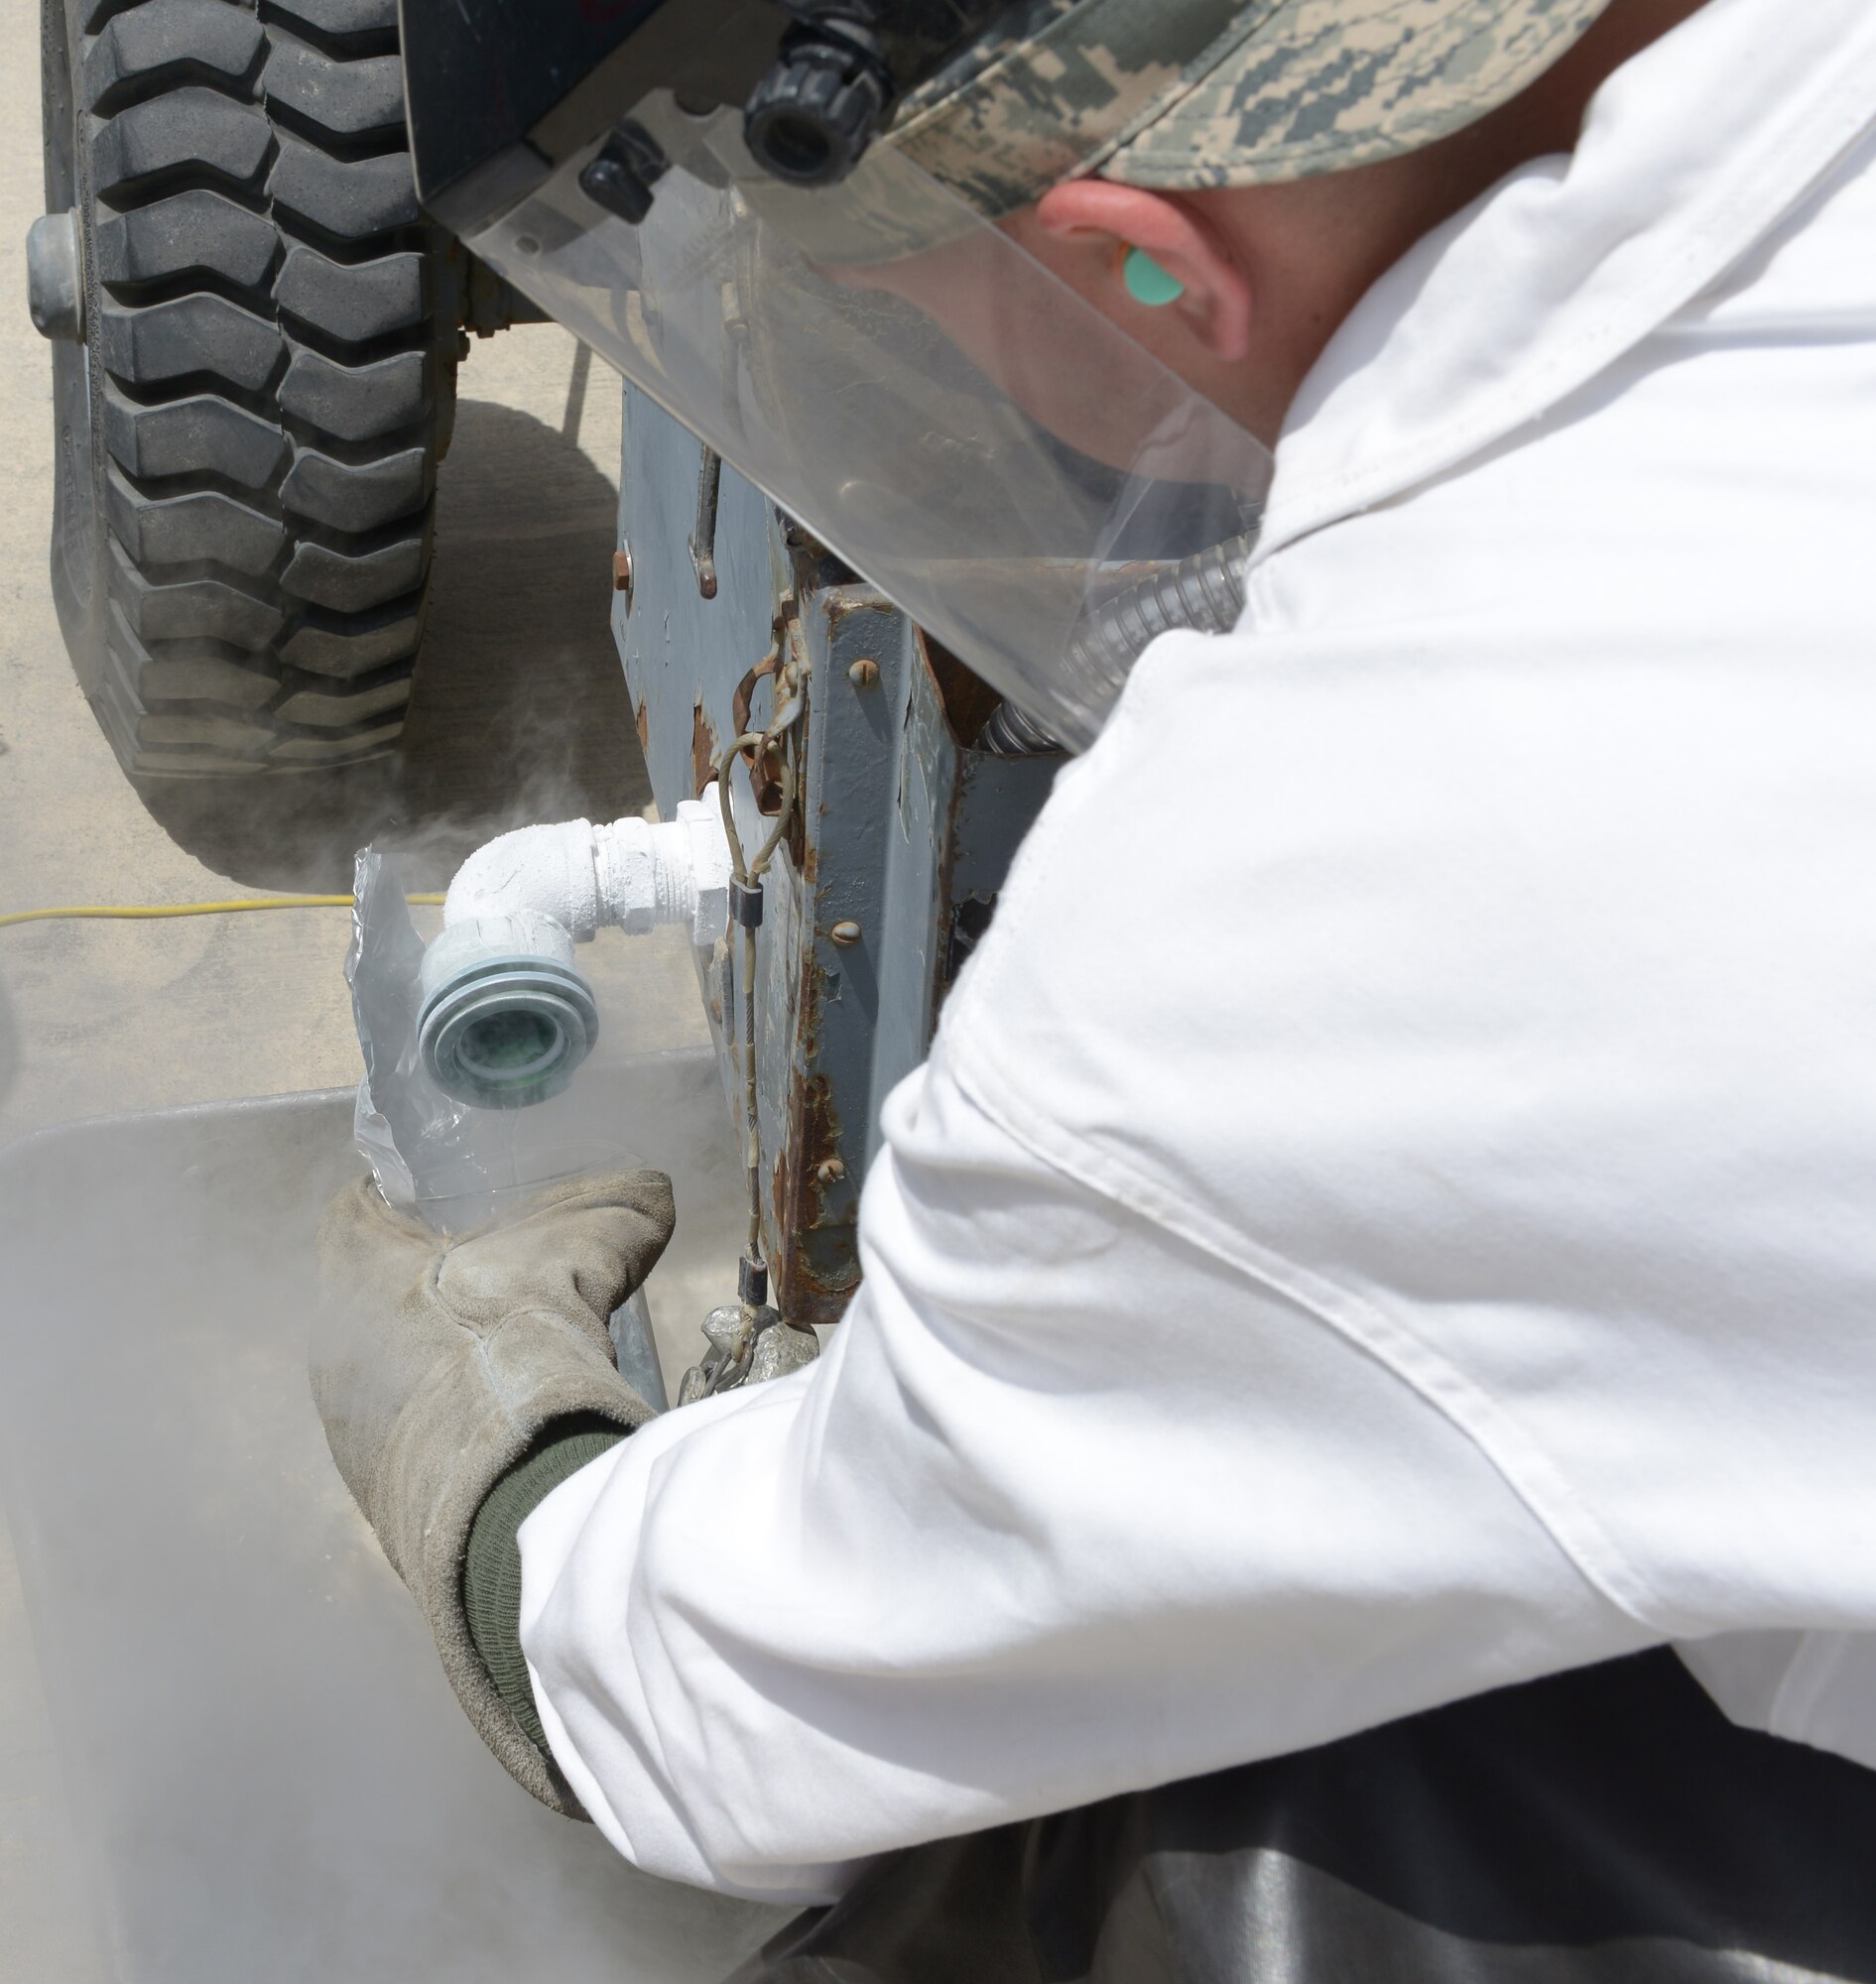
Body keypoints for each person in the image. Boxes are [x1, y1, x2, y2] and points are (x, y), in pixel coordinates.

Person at [313, 0, 1876, 1975]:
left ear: (1147, 248)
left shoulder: (1330, 892)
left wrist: (477, 1439)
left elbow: (729, 1705)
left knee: (1164, 1827)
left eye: (890, 309)